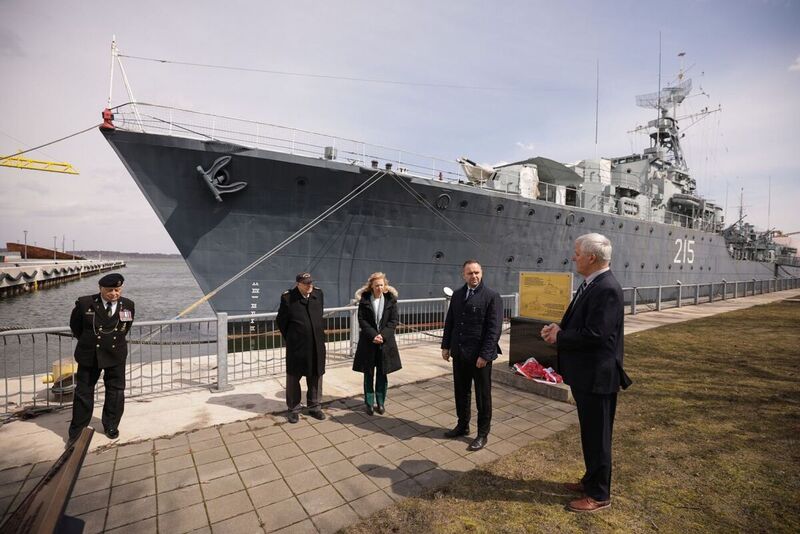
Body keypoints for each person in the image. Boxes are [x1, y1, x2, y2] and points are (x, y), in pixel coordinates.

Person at [541, 233, 632, 513]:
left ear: (591, 257)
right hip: (588, 375)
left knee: (598, 437)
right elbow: (586, 324)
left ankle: (599, 495)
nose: (573, 257)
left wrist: (560, 337)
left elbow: (596, 335)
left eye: (577, 252)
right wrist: (559, 329)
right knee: (591, 434)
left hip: (598, 377)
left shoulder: (606, 288)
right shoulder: (594, 284)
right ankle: (590, 480)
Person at [441, 260, 503, 451]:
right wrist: (446, 346)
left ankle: (482, 434)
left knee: (483, 396)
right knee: (461, 391)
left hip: (480, 357)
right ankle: (462, 425)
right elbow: (450, 321)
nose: (473, 276)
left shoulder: (492, 297)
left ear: (481, 273)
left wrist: (485, 355)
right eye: (470, 273)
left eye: (476, 272)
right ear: (463, 275)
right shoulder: (458, 295)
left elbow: (494, 329)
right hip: (459, 353)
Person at [67, 273, 135, 444]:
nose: (114, 293)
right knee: (84, 393)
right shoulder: (84, 303)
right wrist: (89, 341)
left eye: (117, 289)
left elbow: (124, 329)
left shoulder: (127, 305)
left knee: (116, 392)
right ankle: (77, 431)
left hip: (116, 355)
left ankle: (111, 425)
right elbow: (76, 327)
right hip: (90, 355)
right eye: (110, 290)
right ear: (100, 289)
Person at [277, 272, 327, 423]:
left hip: (316, 344)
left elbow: (319, 315)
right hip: (297, 346)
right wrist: (293, 338)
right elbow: (281, 321)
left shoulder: (318, 294)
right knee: (293, 377)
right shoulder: (288, 298)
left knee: (316, 375)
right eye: (306, 283)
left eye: (310, 282)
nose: (309, 285)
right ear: (298, 284)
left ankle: (315, 406)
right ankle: (293, 408)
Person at [352, 272, 402, 415]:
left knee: (382, 373)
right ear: (371, 287)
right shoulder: (365, 300)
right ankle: (369, 403)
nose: (379, 288)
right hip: (369, 342)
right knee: (368, 373)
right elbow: (362, 320)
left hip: (385, 343)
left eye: (381, 285)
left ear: (385, 286)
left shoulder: (391, 300)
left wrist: (383, 335)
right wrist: (374, 335)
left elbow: (393, 321)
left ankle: (380, 402)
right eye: (376, 285)